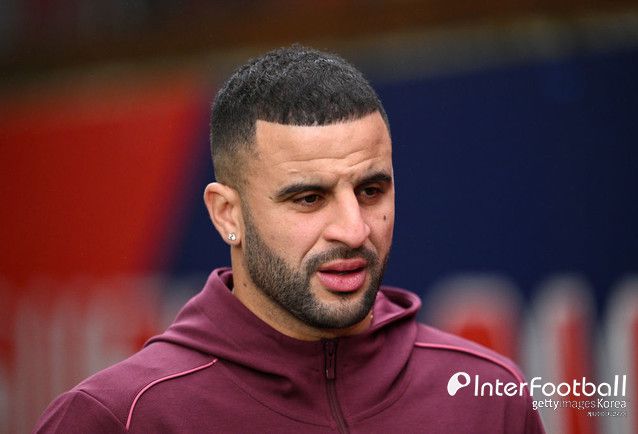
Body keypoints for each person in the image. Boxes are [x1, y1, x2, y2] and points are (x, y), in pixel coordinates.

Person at [34, 45, 545, 433]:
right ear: (227, 213)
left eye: (371, 190)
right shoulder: (120, 416)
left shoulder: (489, 398)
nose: (354, 230)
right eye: (309, 198)